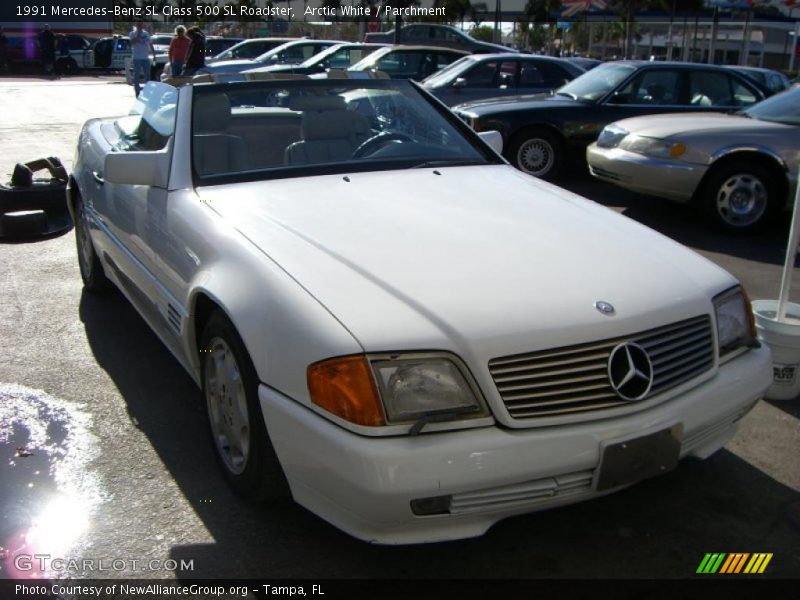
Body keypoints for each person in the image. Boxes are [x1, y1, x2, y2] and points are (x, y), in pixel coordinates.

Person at [129, 21, 155, 96]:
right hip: (137, 58)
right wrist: (138, 34)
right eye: (138, 25)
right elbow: (132, 42)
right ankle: (137, 91)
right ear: (136, 25)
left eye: (141, 25)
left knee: (147, 75)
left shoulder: (146, 34)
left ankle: (147, 91)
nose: (140, 26)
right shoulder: (132, 33)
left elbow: (150, 44)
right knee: (136, 75)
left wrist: (154, 55)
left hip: (145, 57)